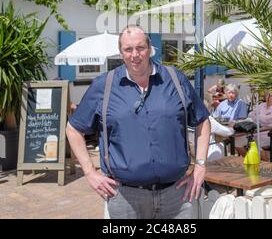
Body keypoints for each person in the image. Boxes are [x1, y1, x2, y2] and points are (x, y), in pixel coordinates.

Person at [66, 25, 211, 219]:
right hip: (125, 197)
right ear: (121, 52)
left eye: (140, 47)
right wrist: (90, 172)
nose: (135, 54)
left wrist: (200, 165)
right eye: (128, 49)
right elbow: (73, 128)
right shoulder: (104, 85)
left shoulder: (175, 79)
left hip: (176, 194)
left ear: (150, 48)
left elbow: (203, 121)